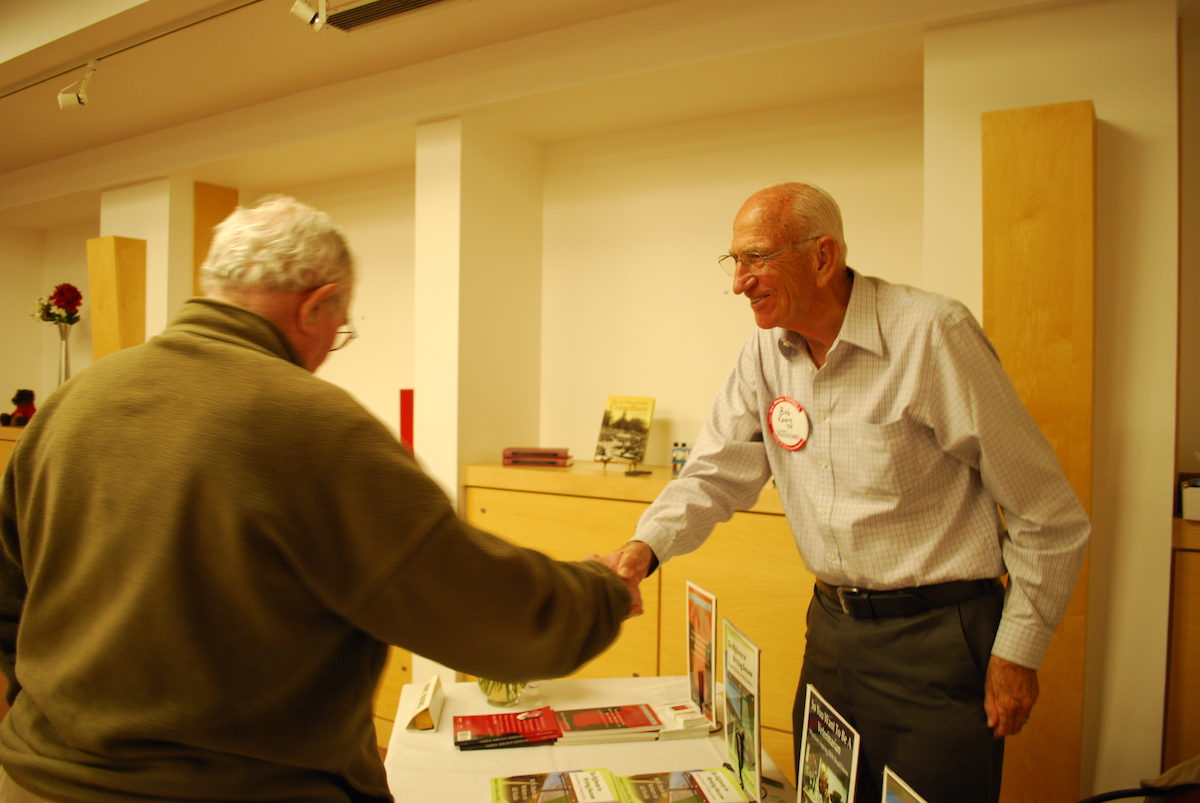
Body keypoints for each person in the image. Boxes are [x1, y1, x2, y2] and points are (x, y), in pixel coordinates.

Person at [0, 196, 632, 802]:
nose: (333, 348)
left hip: (32, 777)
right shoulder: (313, 426)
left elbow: (11, 601)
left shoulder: (71, 404)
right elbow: (491, 617)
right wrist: (600, 590)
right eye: (342, 328)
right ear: (318, 305)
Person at [607, 183, 1089, 803]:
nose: (739, 283)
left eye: (756, 259)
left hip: (938, 640)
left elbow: (1048, 514)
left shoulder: (931, 334)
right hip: (833, 634)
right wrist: (644, 549)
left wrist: (1019, 651)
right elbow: (714, 472)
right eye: (735, 262)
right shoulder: (765, 352)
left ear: (822, 257)